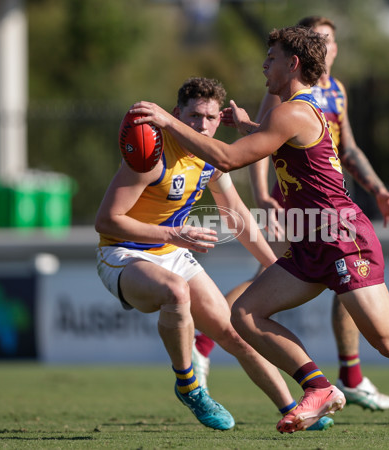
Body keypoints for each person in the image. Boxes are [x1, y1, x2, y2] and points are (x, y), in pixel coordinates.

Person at [130, 27, 389, 436]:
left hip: (344, 238)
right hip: (313, 240)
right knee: (246, 313)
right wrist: (248, 127)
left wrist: (168, 121)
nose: (264, 64)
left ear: (293, 63)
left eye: (271, 57)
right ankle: (319, 387)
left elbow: (226, 158)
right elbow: (277, 142)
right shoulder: (292, 112)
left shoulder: (290, 112)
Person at [95, 77, 332, 431]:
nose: (201, 125)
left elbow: (235, 216)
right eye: (193, 116)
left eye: (209, 118)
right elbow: (107, 222)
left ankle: (295, 411)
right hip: (123, 254)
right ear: (175, 115)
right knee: (175, 291)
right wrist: (173, 233)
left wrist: (272, 265)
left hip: (170, 250)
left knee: (237, 332)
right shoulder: (150, 154)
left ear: (219, 120)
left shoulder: (211, 159)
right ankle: (190, 386)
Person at [192, 15, 389, 413]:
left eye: (332, 40)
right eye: (320, 39)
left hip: (329, 203)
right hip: (297, 201)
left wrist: (377, 189)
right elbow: (258, 142)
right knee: (266, 272)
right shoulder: (287, 91)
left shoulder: (335, 92)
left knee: (342, 288)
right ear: (305, 52)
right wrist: (260, 195)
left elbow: (348, 149)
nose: (328, 46)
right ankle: (206, 342)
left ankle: (347, 378)